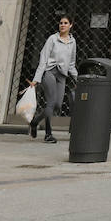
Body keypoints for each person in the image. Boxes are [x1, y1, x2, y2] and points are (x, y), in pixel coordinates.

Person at [27, 14, 77, 143]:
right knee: (50, 103)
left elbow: (71, 64)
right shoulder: (52, 39)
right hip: (49, 72)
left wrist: (78, 79)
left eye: (65, 23)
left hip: (62, 75)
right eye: (61, 23)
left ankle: (34, 122)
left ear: (71, 25)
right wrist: (36, 79)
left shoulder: (72, 42)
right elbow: (43, 59)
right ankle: (48, 134)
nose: (62, 25)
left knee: (57, 105)